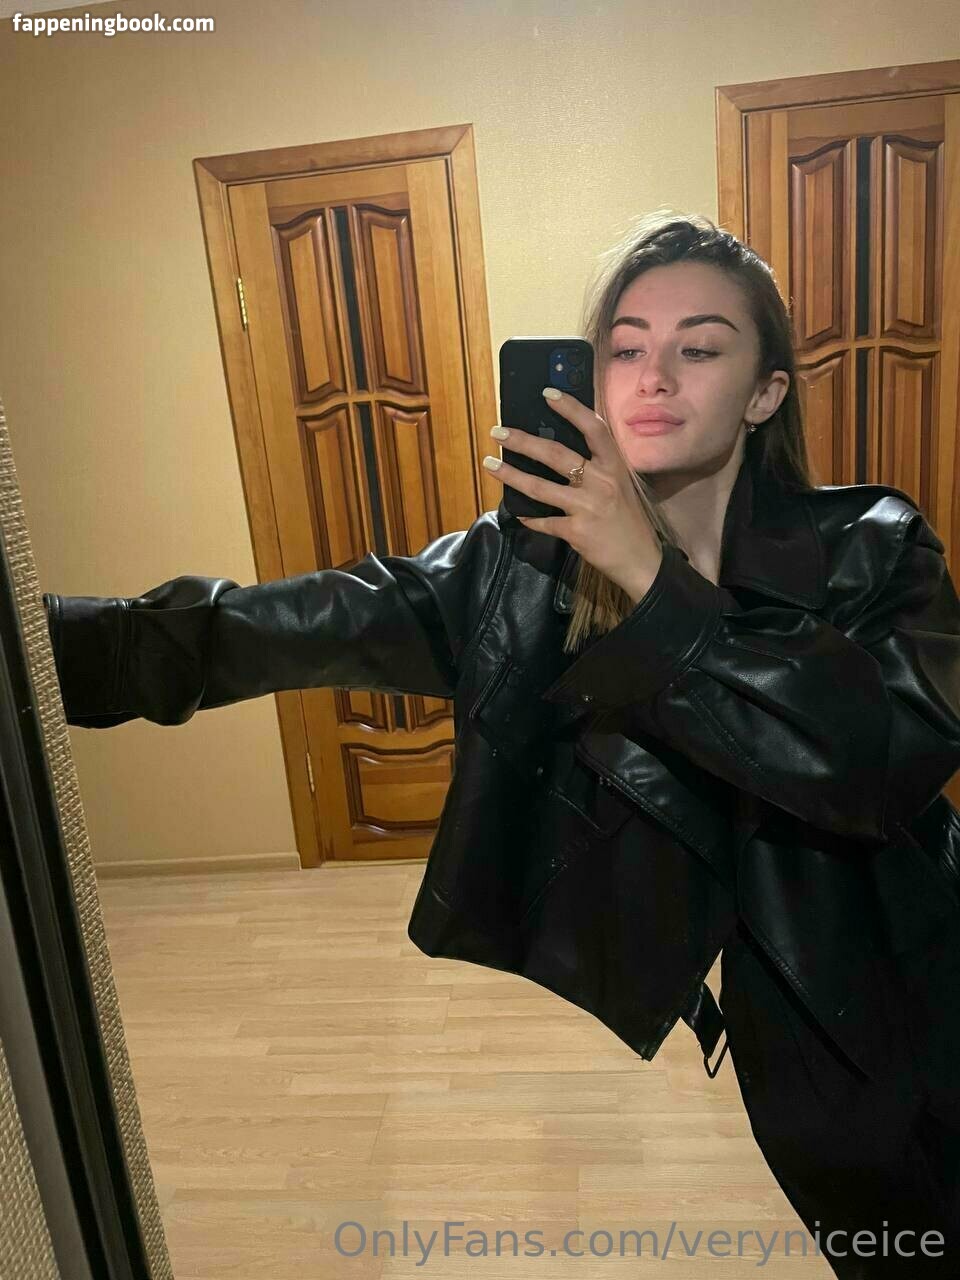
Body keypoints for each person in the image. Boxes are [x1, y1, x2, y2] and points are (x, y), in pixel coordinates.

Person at [44, 213, 960, 1277]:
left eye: (701, 348)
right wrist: (38, 643)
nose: (655, 375)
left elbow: (873, 763)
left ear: (764, 393)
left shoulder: (874, 544)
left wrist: (651, 578)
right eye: (625, 347)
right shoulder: (521, 572)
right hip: (794, 1047)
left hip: (928, 967)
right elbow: (270, 627)